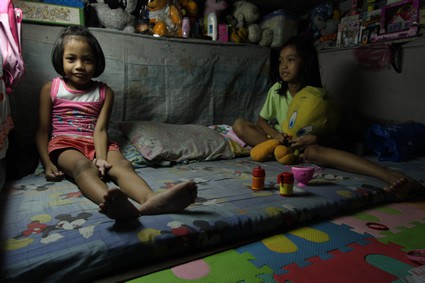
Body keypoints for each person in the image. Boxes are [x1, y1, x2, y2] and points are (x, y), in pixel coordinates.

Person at [35, 25, 197, 221]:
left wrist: (101, 158)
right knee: (82, 167)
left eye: (87, 59)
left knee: (123, 166)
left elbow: (101, 129)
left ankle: (151, 199)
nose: (79, 65)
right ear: (60, 60)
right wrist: (47, 163)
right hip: (65, 143)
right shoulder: (50, 89)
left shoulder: (105, 92)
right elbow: (43, 131)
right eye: (71, 59)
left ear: (97, 63)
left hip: (97, 142)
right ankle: (114, 203)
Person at [233, 36, 423, 200]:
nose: (284, 66)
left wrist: (316, 138)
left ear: (305, 62)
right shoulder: (277, 90)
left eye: (290, 60)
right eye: (281, 61)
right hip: (279, 143)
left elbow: (333, 131)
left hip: (305, 147)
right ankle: (280, 153)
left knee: (315, 151)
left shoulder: (317, 97)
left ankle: (389, 175)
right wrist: (274, 135)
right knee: (240, 125)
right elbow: (261, 121)